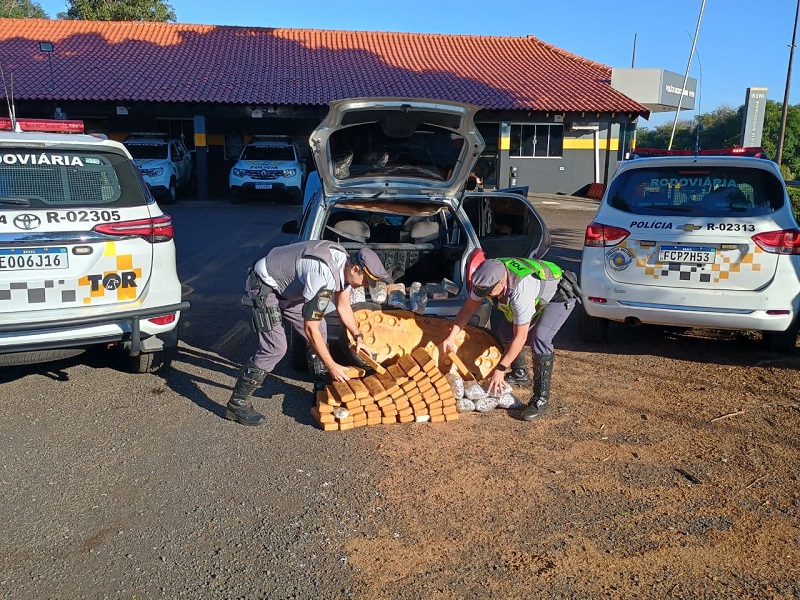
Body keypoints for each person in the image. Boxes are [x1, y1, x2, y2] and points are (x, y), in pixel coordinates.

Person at [227, 241, 390, 426]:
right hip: (265, 285)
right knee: (275, 348)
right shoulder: (323, 276)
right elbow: (309, 329)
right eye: (367, 281)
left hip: (289, 290)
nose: (367, 285)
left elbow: (343, 306)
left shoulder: (343, 266)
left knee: (322, 329)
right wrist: (332, 365)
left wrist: (358, 337)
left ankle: (322, 388)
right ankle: (236, 404)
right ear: (355, 269)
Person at [440, 257, 581, 421]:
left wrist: (500, 369)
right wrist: (451, 337)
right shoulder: (485, 277)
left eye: (490, 292)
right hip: (533, 296)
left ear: (502, 282)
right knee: (505, 332)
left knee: (540, 339)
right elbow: (469, 308)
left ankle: (540, 400)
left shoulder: (521, 290)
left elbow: (521, 337)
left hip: (559, 295)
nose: (487, 296)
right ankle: (520, 373)